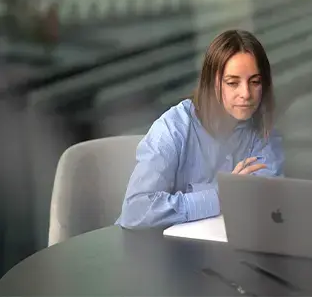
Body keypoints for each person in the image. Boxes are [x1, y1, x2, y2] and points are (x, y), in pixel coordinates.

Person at [117, 29, 284, 229]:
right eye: (232, 83)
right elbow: (136, 210)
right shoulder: (172, 129)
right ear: (212, 83)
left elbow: (266, 200)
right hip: (154, 249)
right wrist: (220, 197)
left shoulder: (263, 129)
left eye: (255, 82)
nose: (246, 93)